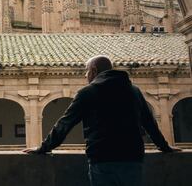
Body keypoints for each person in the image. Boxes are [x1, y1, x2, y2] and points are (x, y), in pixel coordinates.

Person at [23, 55, 180, 186]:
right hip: (132, 158)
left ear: (93, 71)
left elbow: (65, 123)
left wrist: (43, 148)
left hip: (103, 158)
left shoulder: (88, 92)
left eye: (86, 71)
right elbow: (150, 123)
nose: (86, 76)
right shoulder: (134, 91)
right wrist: (165, 147)